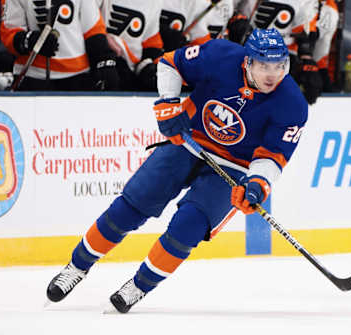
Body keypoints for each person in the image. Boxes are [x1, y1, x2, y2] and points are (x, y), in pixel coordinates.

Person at [46, 28, 308, 313]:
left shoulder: (292, 103)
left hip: (235, 166)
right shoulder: (219, 54)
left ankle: (139, 286)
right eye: (264, 66)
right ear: (247, 61)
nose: (273, 74)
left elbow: (272, 156)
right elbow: (170, 62)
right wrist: (169, 103)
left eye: (280, 66)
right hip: (188, 140)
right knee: (131, 206)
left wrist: (257, 184)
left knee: (188, 226)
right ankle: (76, 267)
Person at [0, 0, 119, 91]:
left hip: (78, 76)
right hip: (33, 76)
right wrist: (30, 40)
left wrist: (104, 59)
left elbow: (93, 29)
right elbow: (9, 32)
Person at [232, 0, 323, 105]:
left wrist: (307, 60)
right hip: (248, 53)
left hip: (283, 59)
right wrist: (236, 20)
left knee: (276, 104)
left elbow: (305, 29)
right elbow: (226, 9)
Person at [97, 0, 164, 91]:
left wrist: (154, 67)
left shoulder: (155, 2)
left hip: (130, 72)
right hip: (98, 62)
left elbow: (150, 40)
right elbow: (85, 22)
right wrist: (102, 38)